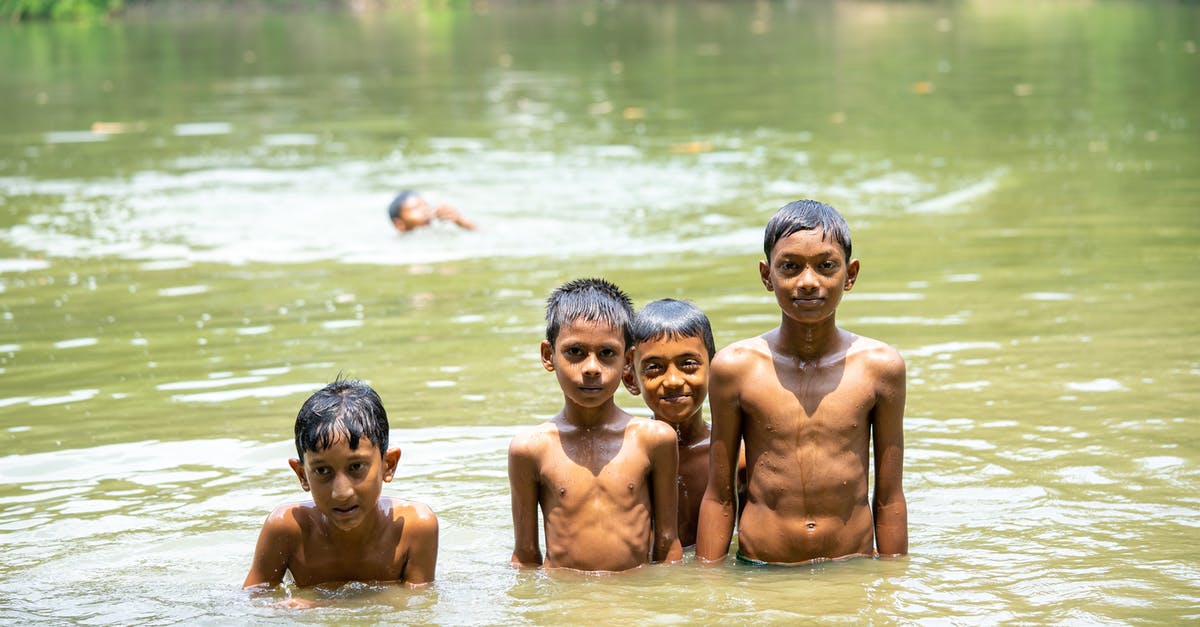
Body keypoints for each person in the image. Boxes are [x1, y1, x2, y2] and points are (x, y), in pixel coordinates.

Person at [696, 199, 908, 566]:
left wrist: (891, 586)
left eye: (826, 266)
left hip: (851, 568)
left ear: (851, 274)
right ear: (767, 275)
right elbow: (719, 495)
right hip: (762, 568)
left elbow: (889, 497)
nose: (808, 282)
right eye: (790, 267)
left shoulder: (880, 367)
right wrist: (710, 592)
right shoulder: (735, 367)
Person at [508, 278, 683, 572]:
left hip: (632, 604)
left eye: (606, 354)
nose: (591, 368)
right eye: (575, 352)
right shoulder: (531, 449)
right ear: (548, 356)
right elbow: (525, 556)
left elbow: (667, 544)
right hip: (565, 603)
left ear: (628, 360)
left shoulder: (654, 440)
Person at [244, 378, 439, 591]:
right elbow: (254, 601)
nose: (341, 492)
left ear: (388, 465)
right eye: (322, 471)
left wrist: (319, 607)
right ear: (302, 475)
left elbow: (419, 607)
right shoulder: (287, 529)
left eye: (356, 467)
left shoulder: (416, 527)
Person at [622, 298, 745, 549]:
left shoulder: (738, 458)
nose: (674, 381)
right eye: (654, 367)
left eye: (688, 364)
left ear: (715, 369)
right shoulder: (625, 456)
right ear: (631, 378)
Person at [388, 190, 476, 232]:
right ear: (399, 224)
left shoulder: (439, 233)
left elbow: (481, 234)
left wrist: (459, 221)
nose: (425, 211)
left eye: (425, 205)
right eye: (416, 208)